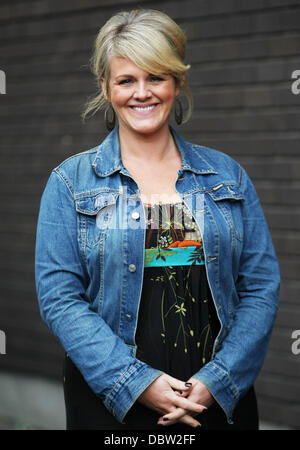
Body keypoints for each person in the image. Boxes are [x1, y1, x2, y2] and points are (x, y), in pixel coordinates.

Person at [35, 9, 280, 431]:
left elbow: (260, 287)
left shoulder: (227, 176)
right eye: (126, 79)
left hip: (215, 401)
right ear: (105, 87)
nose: (142, 93)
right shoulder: (69, 183)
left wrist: (218, 380)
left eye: (157, 77)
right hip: (111, 401)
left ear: (177, 82)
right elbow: (59, 298)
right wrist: (135, 383)